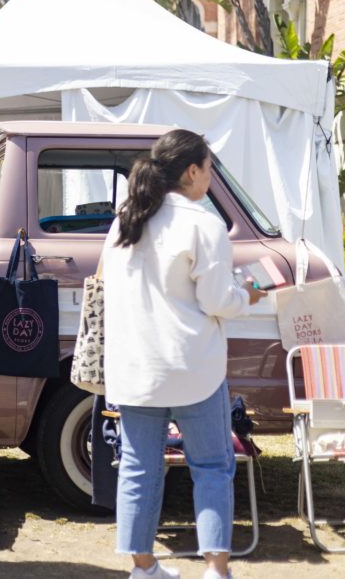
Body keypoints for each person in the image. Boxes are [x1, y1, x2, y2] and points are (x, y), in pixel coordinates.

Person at [102, 130, 265, 579]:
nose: (210, 179)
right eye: (209, 169)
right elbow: (217, 300)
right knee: (212, 465)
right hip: (193, 367)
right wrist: (247, 295)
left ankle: (143, 567)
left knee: (138, 467)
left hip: (136, 367)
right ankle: (215, 568)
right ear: (191, 171)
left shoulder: (124, 222)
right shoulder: (204, 224)